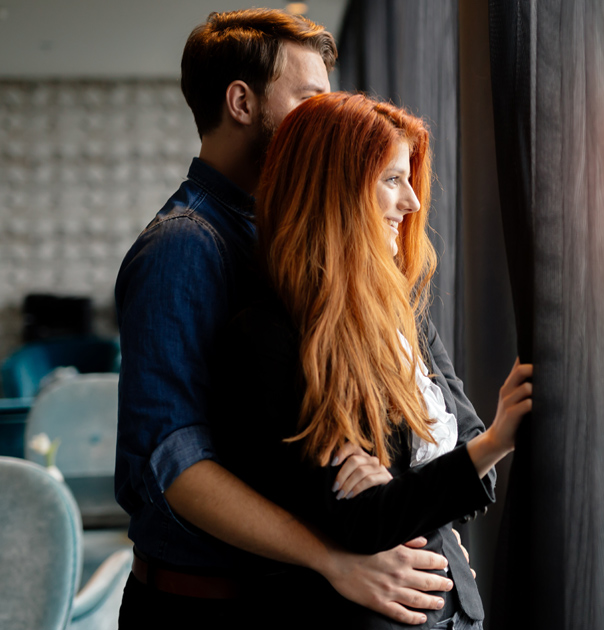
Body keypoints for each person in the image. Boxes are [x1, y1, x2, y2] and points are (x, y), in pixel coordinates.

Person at [115, 9, 463, 627]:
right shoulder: (183, 246)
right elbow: (176, 464)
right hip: (205, 604)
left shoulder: (289, 237)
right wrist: (333, 558)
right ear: (242, 102)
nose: (328, 117)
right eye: (308, 99)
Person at [207, 91, 532, 629]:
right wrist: (491, 445)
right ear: (333, 189)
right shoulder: (268, 337)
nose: (411, 202)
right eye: (391, 179)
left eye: (409, 180)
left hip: (458, 613)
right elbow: (363, 521)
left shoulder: (403, 312)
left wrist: (414, 483)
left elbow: (475, 467)